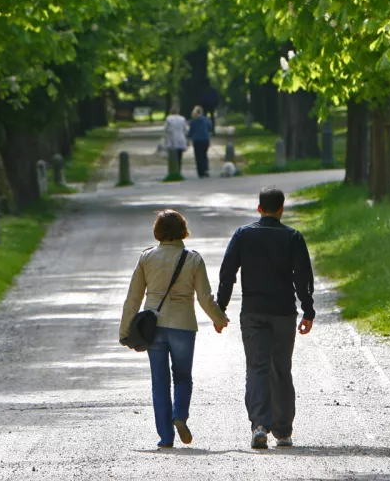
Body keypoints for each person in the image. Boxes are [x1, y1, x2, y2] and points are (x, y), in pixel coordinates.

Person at [217, 187, 315, 450]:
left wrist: (220, 308)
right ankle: (283, 431)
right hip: (284, 313)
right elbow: (303, 277)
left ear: (259, 208)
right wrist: (308, 311)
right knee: (281, 369)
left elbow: (228, 273)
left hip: (253, 312)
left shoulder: (243, 235)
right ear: (282, 209)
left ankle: (259, 425)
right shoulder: (293, 237)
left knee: (257, 368)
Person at [121, 210, 229, 448]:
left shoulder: (146, 258)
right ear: (183, 231)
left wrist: (125, 330)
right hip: (183, 326)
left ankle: (165, 437)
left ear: (157, 231)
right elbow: (205, 297)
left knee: (159, 381)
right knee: (182, 377)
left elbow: (133, 298)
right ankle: (180, 415)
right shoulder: (193, 259)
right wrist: (219, 319)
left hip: (153, 326)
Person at [188, 106, 213, 178]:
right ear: (201, 112)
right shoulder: (206, 119)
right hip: (205, 139)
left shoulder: (193, 121)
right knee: (204, 155)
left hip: (197, 140)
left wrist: (189, 137)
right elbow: (210, 127)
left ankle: (200, 172)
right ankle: (205, 170)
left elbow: (191, 132)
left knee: (198, 156)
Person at [162, 106, 188, 175]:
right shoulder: (182, 118)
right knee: (179, 156)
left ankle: (173, 170)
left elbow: (165, 129)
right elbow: (185, 129)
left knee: (172, 156)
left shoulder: (168, 119)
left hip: (172, 139)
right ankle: (179, 170)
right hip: (181, 138)